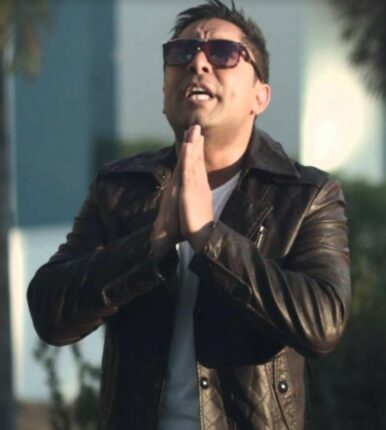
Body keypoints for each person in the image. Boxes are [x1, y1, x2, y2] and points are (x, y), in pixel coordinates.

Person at [27, 1, 351, 428]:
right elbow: (50, 311)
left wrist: (208, 237)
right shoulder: (121, 188)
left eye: (224, 53)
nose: (198, 63)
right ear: (165, 90)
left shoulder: (306, 196)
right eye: (181, 53)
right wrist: (152, 244)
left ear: (260, 96)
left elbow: (323, 322)